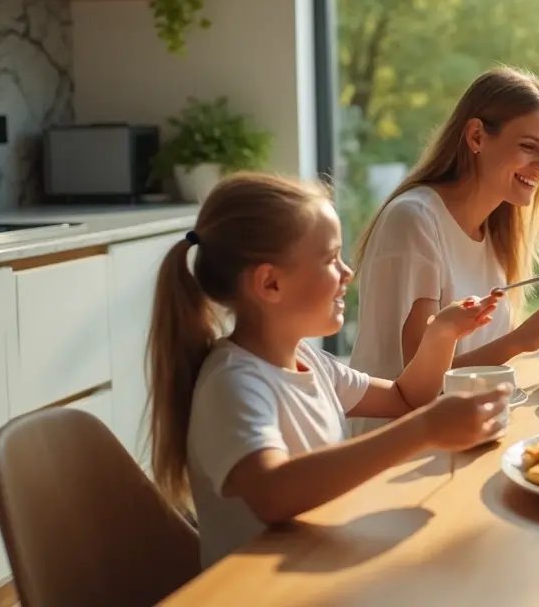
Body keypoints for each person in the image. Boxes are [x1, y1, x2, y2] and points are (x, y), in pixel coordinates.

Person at [146, 172, 510, 568]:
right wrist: (423, 430)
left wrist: (442, 334)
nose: (347, 272)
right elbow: (272, 493)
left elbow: (406, 397)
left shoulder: (311, 361)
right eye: (329, 259)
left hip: (319, 567)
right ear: (269, 284)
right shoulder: (233, 383)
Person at [347, 66, 539, 436]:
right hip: (396, 445)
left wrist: (534, 338)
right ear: (476, 136)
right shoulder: (414, 220)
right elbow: (422, 384)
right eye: (528, 147)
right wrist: (518, 340)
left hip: (468, 431)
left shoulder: (496, 230)